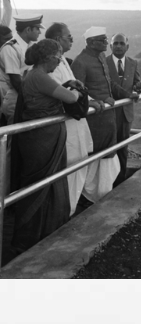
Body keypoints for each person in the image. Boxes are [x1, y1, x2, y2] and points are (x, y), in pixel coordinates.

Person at [6, 39, 81, 258]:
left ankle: (41, 232)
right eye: (58, 59)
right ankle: (32, 236)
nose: (59, 63)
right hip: (42, 140)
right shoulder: (40, 77)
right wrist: (75, 88)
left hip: (42, 139)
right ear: (47, 58)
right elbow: (70, 97)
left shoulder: (32, 74)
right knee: (40, 186)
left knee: (42, 185)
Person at [70, 27, 126, 205]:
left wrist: (127, 94)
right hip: (93, 120)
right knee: (92, 155)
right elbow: (77, 90)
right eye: (101, 40)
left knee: (107, 155)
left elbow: (108, 83)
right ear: (90, 42)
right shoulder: (80, 62)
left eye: (105, 39)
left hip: (107, 118)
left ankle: (102, 194)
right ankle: (87, 197)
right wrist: (94, 101)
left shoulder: (101, 58)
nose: (105, 42)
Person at [44, 23, 92, 214]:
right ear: (57, 40)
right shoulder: (51, 64)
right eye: (69, 37)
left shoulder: (63, 60)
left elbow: (75, 87)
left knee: (77, 163)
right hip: (63, 122)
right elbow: (62, 91)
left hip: (74, 121)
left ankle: (68, 209)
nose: (72, 40)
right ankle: (63, 211)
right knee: (68, 166)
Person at [107, 33, 141, 186]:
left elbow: (137, 83)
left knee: (123, 148)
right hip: (108, 113)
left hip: (126, 114)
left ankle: (120, 182)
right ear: (110, 46)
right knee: (107, 149)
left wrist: (138, 88)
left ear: (127, 47)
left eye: (122, 43)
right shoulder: (103, 62)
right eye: (115, 43)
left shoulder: (132, 63)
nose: (119, 46)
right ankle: (106, 183)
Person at [0, 14, 42, 124]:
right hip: (17, 99)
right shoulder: (10, 48)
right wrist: (35, 100)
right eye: (37, 29)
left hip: (30, 97)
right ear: (28, 29)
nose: (40, 32)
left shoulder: (32, 46)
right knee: (15, 138)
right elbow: (16, 81)